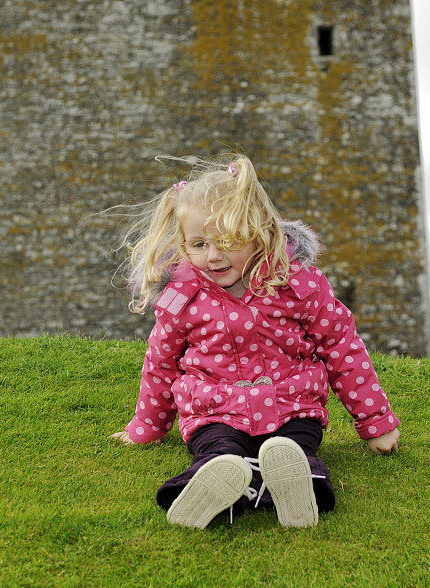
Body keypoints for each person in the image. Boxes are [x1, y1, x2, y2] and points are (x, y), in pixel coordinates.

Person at [110, 154, 400, 529]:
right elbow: (161, 361)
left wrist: (376, 422)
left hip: (293, 406)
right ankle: (213, 485)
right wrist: (146, 428)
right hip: (215, 410)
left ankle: (293, 485)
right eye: (198, 244)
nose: (212, 256)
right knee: (218, 453)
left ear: (259, 230)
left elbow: (342, 347)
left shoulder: (297, 283)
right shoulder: (182, 297)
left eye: (227, 241)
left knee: (294, 450)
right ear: (181, 244)